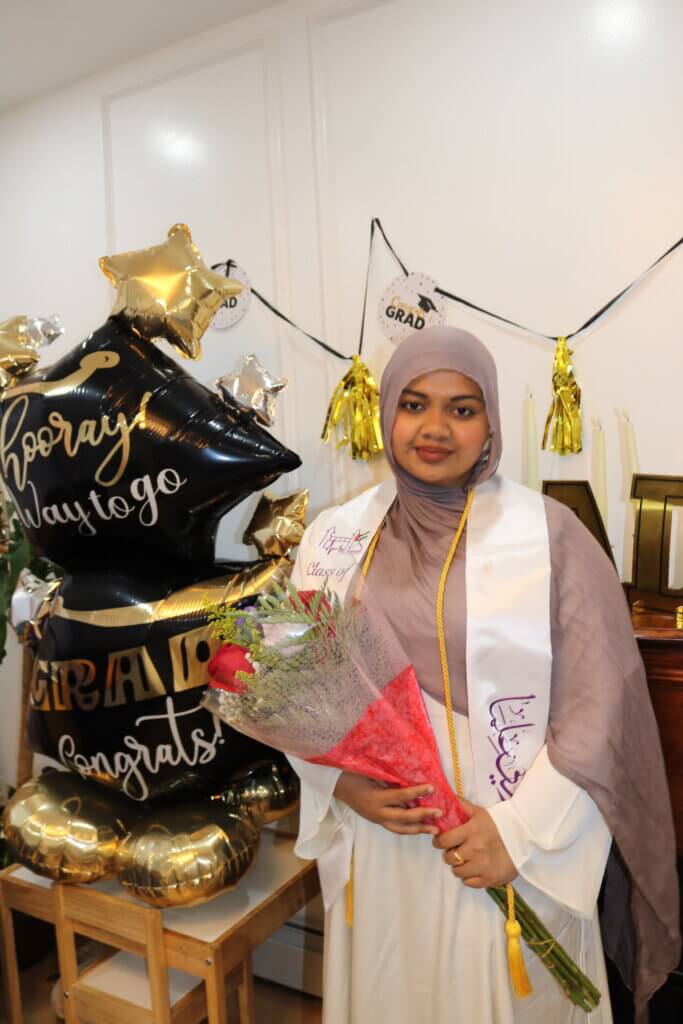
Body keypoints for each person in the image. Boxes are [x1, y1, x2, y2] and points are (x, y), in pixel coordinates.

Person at [288, 326, 679, 1024]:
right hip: (384, 842)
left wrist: (517, 830)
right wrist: (340, 783)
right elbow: (299, 688)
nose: (434, 428)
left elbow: (602, 707)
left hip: (508, 840)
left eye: (461, 409)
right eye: (413, 404)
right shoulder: (335, 537)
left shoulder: (551, 536)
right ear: (386, 414)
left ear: (489, 421)